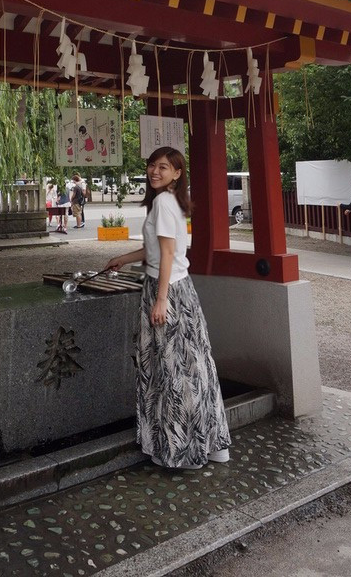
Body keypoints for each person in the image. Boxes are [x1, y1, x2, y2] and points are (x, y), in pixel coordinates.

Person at [107, 146, 231, 470]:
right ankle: (212, 444)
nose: (155, 171)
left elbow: (165, 255)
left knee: (172, 371)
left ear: (177, 173)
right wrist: (124, 259)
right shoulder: (170, 201)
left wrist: (161, 299)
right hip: (181, 288)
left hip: (167, 292)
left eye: (163, 167)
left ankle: (184, 451)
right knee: (194, 368)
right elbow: (158, 250)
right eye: (152, 166)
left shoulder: (162, 202)